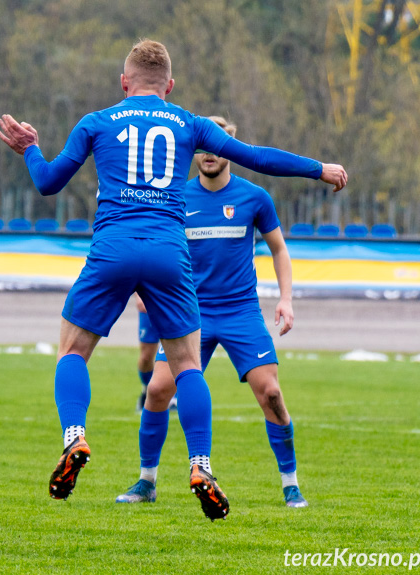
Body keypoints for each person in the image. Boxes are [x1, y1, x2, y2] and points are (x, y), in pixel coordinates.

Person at [0, 39, 347, 520]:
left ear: (124, 82)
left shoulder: (96, 123)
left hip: (113, 247)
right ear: (171, 85)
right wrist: (319, 168)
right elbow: (256, 157)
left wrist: (30, 150)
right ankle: (201, 466)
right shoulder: (188, 123)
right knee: (186, 368)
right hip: (168, 252)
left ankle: (75, 437)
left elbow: (49, 182)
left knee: (73, 351)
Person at [117, 116, 309, 508]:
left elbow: (279, 250)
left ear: (229, 148)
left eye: (216, 146)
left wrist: (286, 299)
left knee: (270, 393)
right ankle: (146, 482)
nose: (207, 154)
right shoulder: (177, 198)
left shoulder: (255, 198)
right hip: (189, 314)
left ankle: (290, 484)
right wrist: (143, 288)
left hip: (241, 312)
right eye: (202, 148)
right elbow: (151, 244)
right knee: (156, 390)